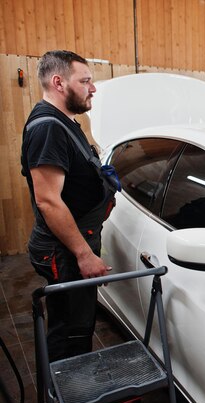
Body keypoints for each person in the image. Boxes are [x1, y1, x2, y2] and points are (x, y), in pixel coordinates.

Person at [21, 50, 117, 361]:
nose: (93, 88)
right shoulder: (47, 127)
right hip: (64, 251)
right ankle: (65, 399)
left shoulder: (66, 121)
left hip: (75, 241)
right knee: (69, 330)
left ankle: (74, 385)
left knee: (80, 322)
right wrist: (84, 254)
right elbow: (48, 200)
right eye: (86, 81)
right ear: (59, 82)